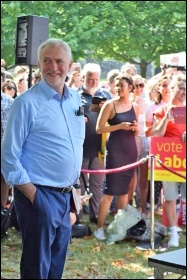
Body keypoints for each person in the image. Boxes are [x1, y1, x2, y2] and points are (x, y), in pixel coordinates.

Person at [1, 38, 85, 279]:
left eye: (59, 61)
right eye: (47, 61)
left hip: (66, 195)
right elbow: (8, 157)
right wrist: (35, 196)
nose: (53, 67)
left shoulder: (75, 100)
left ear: (70, 66)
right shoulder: (26, 103)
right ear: (38, 64)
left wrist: (75, 190)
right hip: (38, 195)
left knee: (56, 265)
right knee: (36, 268)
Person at [94, 74, 139, 240]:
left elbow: (137, 132)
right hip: (115, 150)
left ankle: (117, 227)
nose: (119, 88)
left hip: (130, 150)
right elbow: (99, 129)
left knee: (125, 192)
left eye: (122, 85)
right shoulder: (109, 104)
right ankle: (99, 227)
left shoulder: (135, 106)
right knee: (110, 191)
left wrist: (134, 129)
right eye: (117, 85)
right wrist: (119, 126)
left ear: (131, 88)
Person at [151, 73, 186, 248]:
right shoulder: (162, 110)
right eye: (181, 89)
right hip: (169, 161)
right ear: (172, 90)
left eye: (186, 90)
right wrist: (166, 117)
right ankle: (173, 231)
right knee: (170, 197)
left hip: (184, 161)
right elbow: (156, 134)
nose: (184, 93)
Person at [77, 63, 112, 224]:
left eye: (96, 79)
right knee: (79, 184)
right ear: (84, 78)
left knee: (98, 184)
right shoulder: (76, 95)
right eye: (90, 79)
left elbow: (112, 118)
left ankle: (96, 214)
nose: (93, 82)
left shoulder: (104, 95)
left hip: (100, 148)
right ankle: (76, 214)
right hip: (81, 148)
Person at [1, 91, 14, 209]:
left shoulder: (9, 102)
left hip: (4, 149)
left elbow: (9, 132)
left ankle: (2, 209)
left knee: (3, 179)